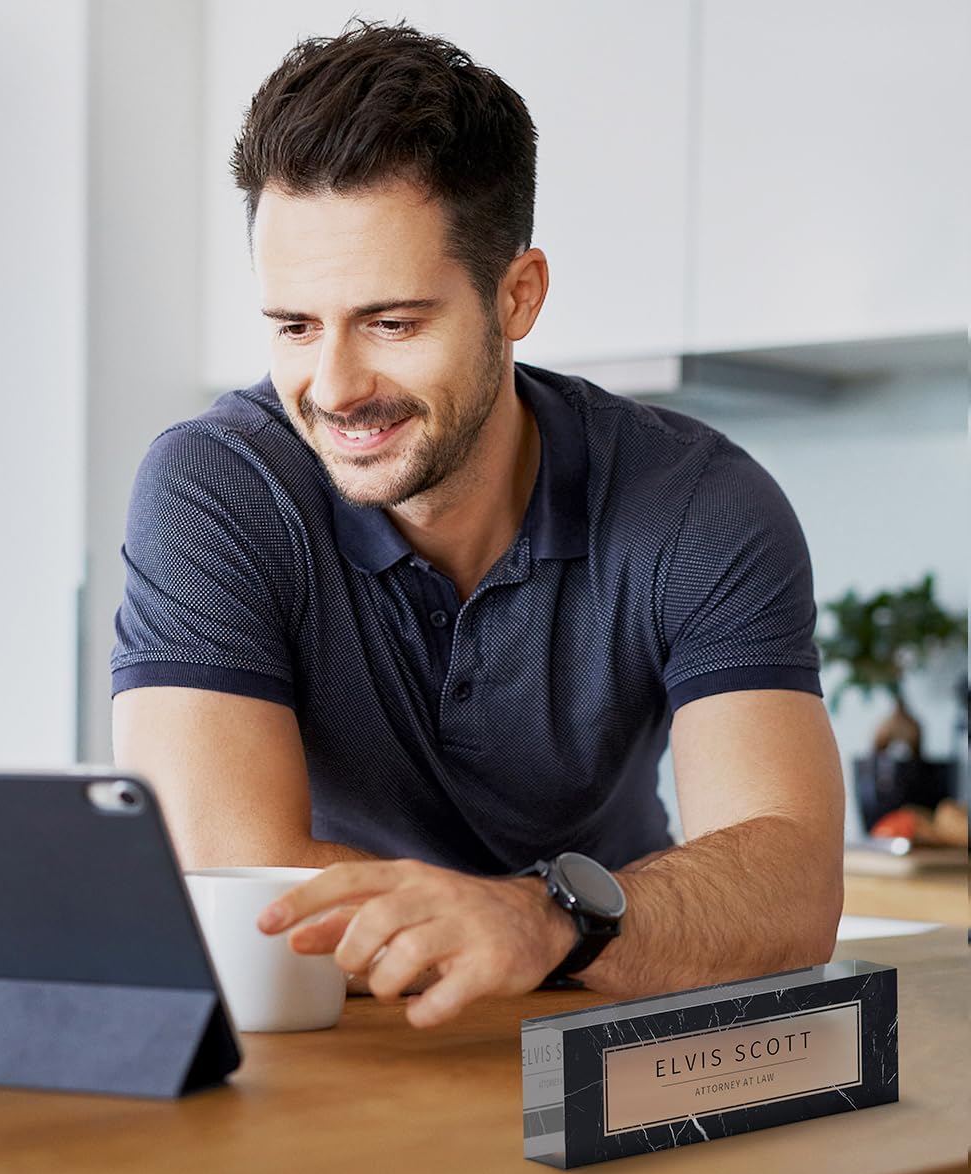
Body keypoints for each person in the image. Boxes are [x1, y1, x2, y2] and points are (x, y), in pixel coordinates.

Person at [111, 21, 844, 1028]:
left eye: (392, 323)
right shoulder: (217, 488)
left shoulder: (698, 505)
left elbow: (792, 888)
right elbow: (227, 877)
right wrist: (528, 923)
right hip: (334, 1036)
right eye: (294, 326)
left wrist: (540, 921)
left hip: (605, 1027)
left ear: (517, 296)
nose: (334, 386)